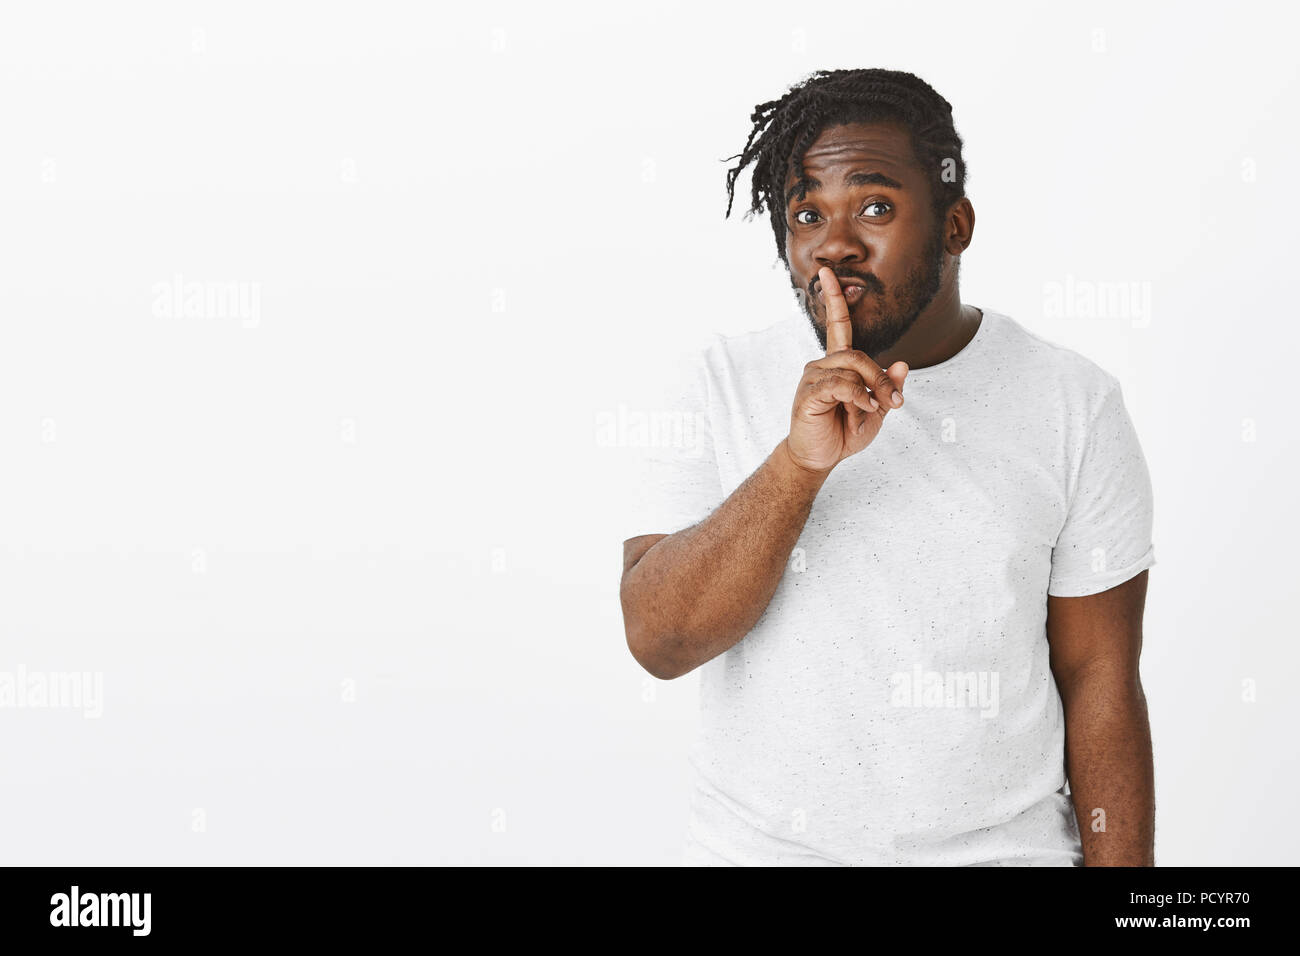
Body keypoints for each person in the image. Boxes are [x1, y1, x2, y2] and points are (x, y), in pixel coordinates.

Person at [618, 68, 1156, 866]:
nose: (835, 244)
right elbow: (660, 642)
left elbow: (1099, 682)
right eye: (806, 214)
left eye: (874, 206)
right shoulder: (718, 383)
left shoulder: (1073, 403)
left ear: (955, 225)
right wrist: (799, 466)